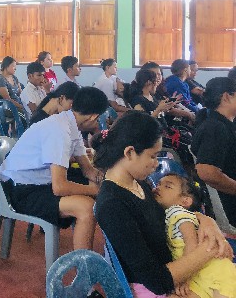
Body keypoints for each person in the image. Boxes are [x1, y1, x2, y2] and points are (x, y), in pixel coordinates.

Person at [93, 111, 232, 298]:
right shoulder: (112, 205)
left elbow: (167, 213)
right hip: (158, 287)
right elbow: (157, 281)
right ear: (129, 153)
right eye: (153, 156)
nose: (156, 164)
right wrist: (208, 249)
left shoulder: (138, 183)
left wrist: (206, 220)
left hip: (177, 269)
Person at [0, 87, 108, 250]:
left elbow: (87, 170)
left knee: (100, 188)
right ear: (94, 117)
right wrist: (95, 190)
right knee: (86, 207)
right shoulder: (59, 130)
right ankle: (84, 263)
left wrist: (105, 181)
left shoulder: (71, 123)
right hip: (21, 191)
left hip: (40, 180)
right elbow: (60, 187)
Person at [153, 173, 236, 298]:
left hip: (215, 272)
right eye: (158, 184)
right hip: (198, 275)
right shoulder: (168, 216)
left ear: (185, 201)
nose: (158, 188)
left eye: (167, 186)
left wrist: (184, 277)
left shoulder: (177, 211)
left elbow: (191, 242)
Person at [191, 77, 236, 227]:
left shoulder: (223, 123)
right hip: (231, 207)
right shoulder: (215, 128)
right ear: (226, 97)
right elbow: (207, 172)